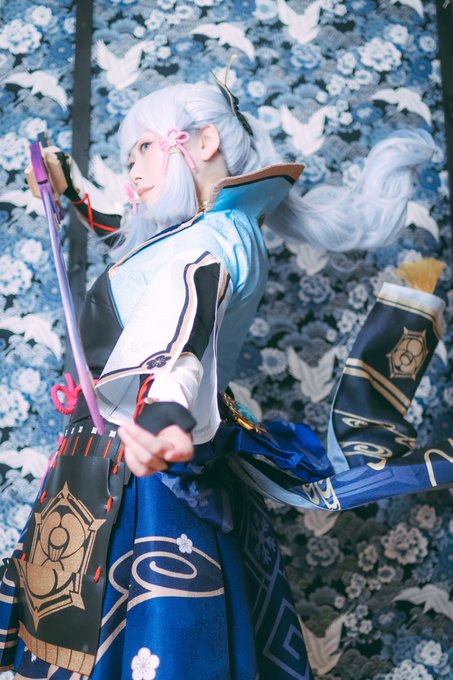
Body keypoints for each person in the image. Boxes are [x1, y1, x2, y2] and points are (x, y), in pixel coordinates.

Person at [0, 81, 451, 680]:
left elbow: (180, 331)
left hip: (145, 475)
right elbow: (128, 236)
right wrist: (71, 187)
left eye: (142, 149)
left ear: (204, 141)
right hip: (114, 464)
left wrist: (162, 417)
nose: (131, 169)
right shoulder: (200, 231)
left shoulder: (212, 240)